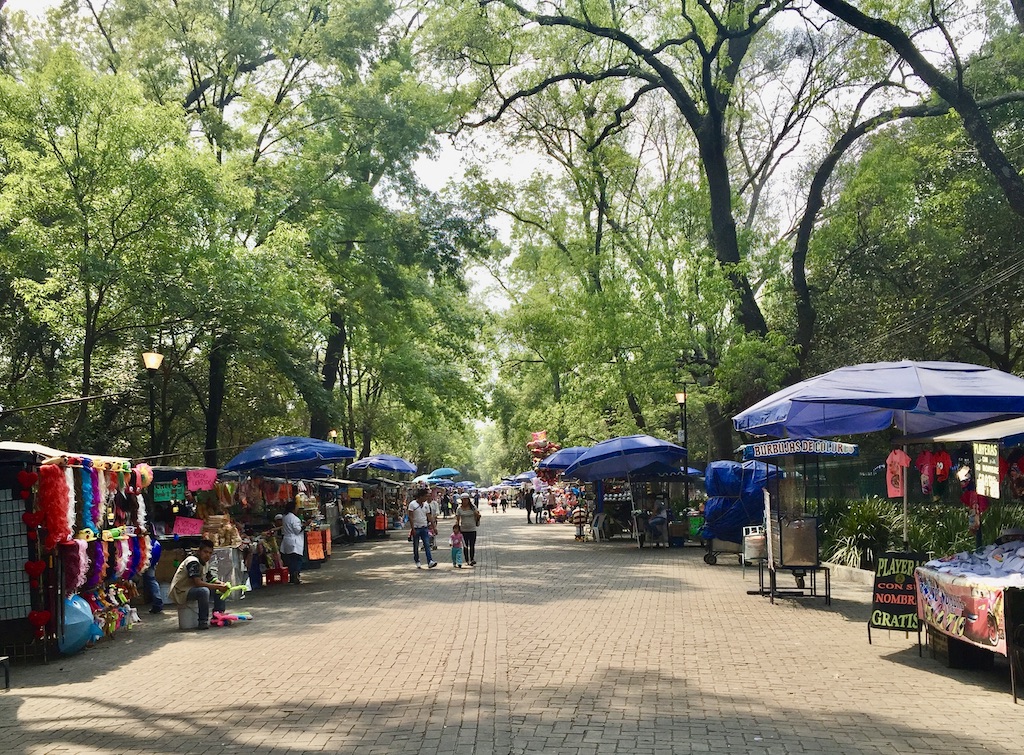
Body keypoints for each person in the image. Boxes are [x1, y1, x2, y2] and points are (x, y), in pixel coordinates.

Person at [169, 539, 227, 630]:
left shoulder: (204, 563)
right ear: (199, 551)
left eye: (210, 553)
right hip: (181, 591)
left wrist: (221, 584)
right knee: (204, 591)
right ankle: (202, 621)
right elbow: (198, 583)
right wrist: (217, 586)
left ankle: (218, 616)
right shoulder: (193, 562)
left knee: (219, 589)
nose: (207, 555)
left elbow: (210, 578)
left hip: (191, 589)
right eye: (205, 552)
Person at [408, 488, 438, 568]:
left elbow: (429, 516)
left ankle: (430, 561)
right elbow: (410, 517)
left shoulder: (426, 505)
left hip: (424, 527)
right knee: (416, 545)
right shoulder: (412, 504)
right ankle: (417, 560)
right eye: (425, 496)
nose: (426, 498)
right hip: (416, 527)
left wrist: (434, 527)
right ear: (421, 496)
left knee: (427, 545)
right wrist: (412, 528)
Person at [280, 501, 305, 584]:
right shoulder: (294, 518)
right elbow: (297, 530)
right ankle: (296, 575)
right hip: (294, 541)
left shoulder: (285, 517)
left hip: (287, 540)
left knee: (290, 560)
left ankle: (292, 577)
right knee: (297, 559)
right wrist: (305, 525)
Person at [454, 493, 480, 566]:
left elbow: (478, 516)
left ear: (468, 500)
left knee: (472, 545)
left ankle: (472, 559)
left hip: (472, 528)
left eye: (466, 500)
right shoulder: (459, 509)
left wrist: (476, 514)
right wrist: (456, 528)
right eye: (463, 500)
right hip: (463, 529)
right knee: (465, 546)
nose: (465, 501)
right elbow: (457, 519)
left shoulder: (473, 507)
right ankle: (467, 560)